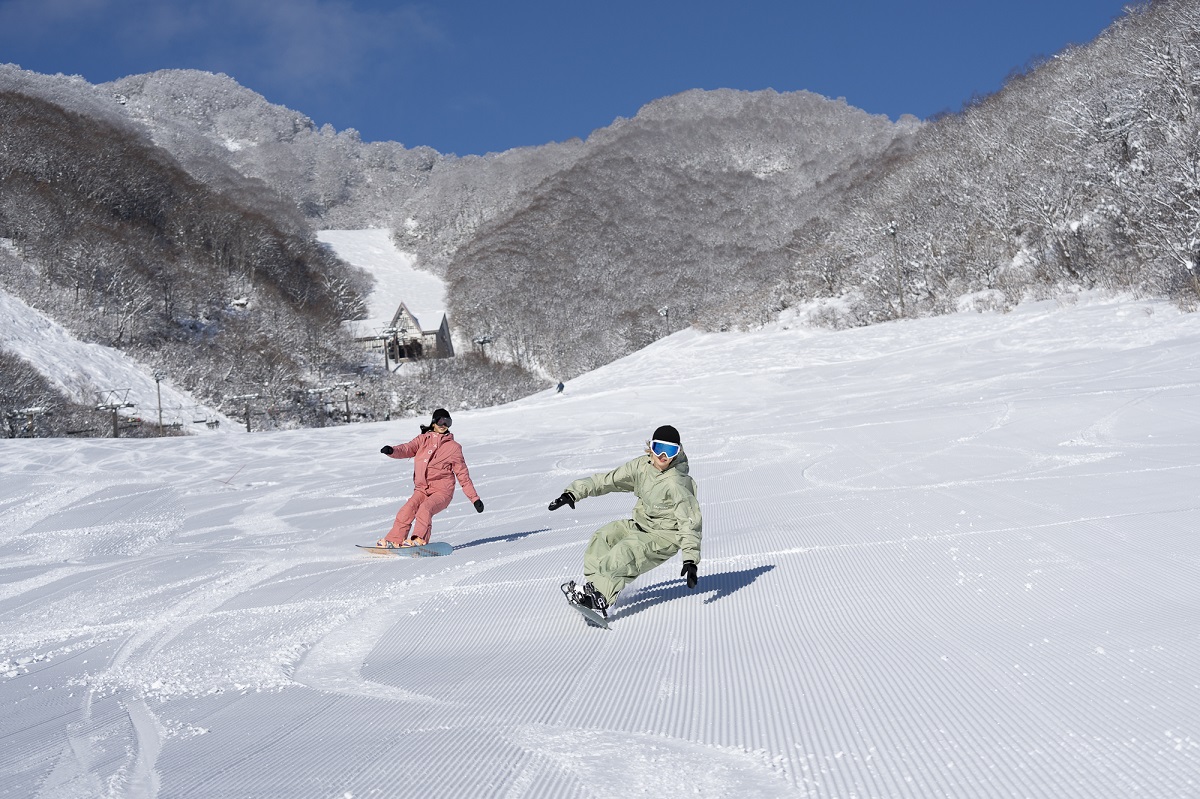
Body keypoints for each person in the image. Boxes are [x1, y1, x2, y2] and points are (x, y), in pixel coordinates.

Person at [550, 424, 702, 616]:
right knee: (603, 537)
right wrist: (574, 493)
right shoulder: (641, 467)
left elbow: (690, 520)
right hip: (642, 525)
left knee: (625, 551)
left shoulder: (677, 482)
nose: (663, 456)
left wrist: (690, 559)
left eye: (670, 451)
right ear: (651, 447)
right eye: (658, 448)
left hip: (665, 538)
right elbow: (608, 480)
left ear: (677, 452)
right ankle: (595, 588)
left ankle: (602, 600)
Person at [377, 408, 483, 547]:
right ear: (433, 422)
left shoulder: (453, 447)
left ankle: (418, 539)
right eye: (440, 421)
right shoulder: (422, 440)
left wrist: (474, 499)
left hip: (442, 492)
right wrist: (392, 450)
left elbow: (463, 475)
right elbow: (407, 449)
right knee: (406, 510)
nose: (443, 424)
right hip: (422, 490)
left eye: (448, 422)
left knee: (425, 509)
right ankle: (394, 540)